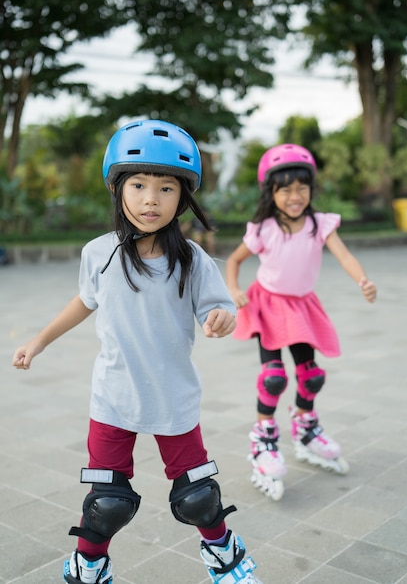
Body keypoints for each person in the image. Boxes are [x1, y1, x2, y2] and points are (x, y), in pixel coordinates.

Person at [12, 120, 263, 584]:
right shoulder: (98, 253)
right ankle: (87, 567)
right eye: (140, 184)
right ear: (118, 189)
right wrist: (39, 340)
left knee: (198, 496)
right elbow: (84, 302)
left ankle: (224, 560)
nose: (152, 198)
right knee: (106, 502)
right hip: (113, 398)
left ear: (182, 197)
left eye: (167, 187)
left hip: (174, 397)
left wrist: (222, 319)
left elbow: (219, 308)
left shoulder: (193, 260)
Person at [225, 143, 377, 501]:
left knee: (312, 375)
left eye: (302, 188)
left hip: (301, 307)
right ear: (271, 192)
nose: (295, 196)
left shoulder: (318, 224)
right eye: (286, 189)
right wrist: (233, 289)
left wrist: (363, 281)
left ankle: (306, 429)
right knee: (274, 377)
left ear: (311, 188)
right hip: (267, 304)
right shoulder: (263, 229)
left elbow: (344, 255)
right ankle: (263, 438)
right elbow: (233, 260)